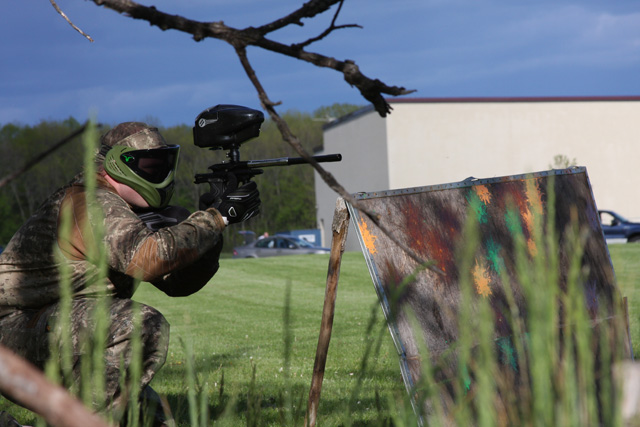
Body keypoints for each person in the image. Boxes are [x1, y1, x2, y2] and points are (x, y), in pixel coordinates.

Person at [0, 122, 260, 426]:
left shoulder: (120, 210)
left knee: (150, 419)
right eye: (151, 166)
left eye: (165, 165)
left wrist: (212, 234)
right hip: (16, 332)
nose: (161, 175)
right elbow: (149, 257)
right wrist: (215, 219)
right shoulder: (92, 202)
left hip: (55, 331)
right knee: (138, 326)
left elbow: (178, 283)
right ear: (115, 165)